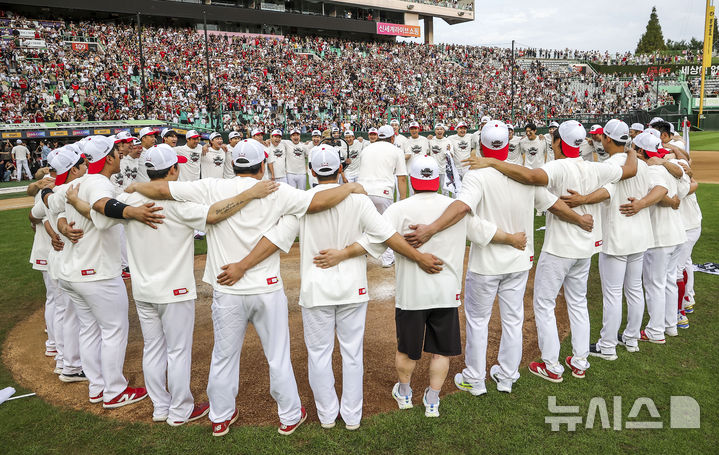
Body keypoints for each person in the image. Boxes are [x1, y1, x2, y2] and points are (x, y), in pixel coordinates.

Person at [128, 139, 369, 437]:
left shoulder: (211, 186)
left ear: (233, 162)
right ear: (261, 164)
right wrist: (349, 187)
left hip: (227, 288)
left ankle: (220, 416)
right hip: (266, 287)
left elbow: (163, 189)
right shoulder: (275, 190)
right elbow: (318, 202)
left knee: (223, 356)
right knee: (277, 355)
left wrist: (134, 189)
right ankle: (289, 415)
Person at [232, 145, 443, 429]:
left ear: (311, 172)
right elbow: (387, 236)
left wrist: (242, 265)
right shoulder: (356, 199)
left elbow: (276, 238)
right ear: (341, 169)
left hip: (316, 289)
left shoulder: (302, 200)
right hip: (352, 288)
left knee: (319, 355)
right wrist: (418, 257)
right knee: (352, 354)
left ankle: (328, 416)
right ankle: (352, 417)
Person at [66, 144, 277, 425]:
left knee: (153, 348)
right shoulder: (178, 203)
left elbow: (98, 213)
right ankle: (180, 410)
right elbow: (214, 215)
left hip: (143, 289)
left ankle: (160, 407)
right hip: (175, 290)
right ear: (174, 170)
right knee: (177, 351)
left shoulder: (129, 198)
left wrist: (73, 201)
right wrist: (250, 193)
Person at [404, 122, 592, 395]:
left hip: (488, 263)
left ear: (481, 146)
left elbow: (462, 208)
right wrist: (581, 219)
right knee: (513, 319)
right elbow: (553, 204)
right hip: (518, 259)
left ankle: (476, 378)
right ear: (509, 144)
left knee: (479, 321)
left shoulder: (477, 175)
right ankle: (506, 377)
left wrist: (431, 228)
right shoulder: (523, 175)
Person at [463, 120, 637, 382]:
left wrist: (492, 162)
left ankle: (552, 364)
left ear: (558, 143)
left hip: (559, 248)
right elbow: (630, 170)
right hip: (585, 246)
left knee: (544, 305)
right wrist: (632, 147)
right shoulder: (595, 167)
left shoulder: (555, 166)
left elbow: (532, 178)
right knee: (577, 303)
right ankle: (579, 361)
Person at [56, 135, 163, 408]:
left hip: (72, 271)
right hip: (97, 271)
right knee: (114, 330)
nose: (120, 154)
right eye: (117, 151)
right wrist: (133, 212)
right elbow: (104, 212)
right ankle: (114, 391)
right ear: (110, 156)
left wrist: (61, 225)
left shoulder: (76, 182)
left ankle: (97, 387)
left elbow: (54, 206)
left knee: (90, 330)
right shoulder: (100, 182)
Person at [557, 120, 669, 357]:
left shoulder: (613, 165)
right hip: (640, 236)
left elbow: (606, 192)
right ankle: (631, 338)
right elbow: (661, 190)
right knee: (635, 290)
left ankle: (607, 345)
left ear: (607, 139)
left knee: (614, 293)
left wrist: (583, 199)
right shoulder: (640, 162)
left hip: (617, 236)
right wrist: (642, 204)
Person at [358, 125, 408, 267]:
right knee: (386, 226)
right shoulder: (396, 150)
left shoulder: (366, 149)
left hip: (361, 191)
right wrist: (403, 200)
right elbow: (402, 178)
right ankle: (387, 258)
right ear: (392, 137)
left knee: (363, 226)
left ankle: (360, 256)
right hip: (383, 192)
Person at [428, 124, 453, 195]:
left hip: (444, 170)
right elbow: (427, 153)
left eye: (441, 129)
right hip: (433, 170)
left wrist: (448, 151)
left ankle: (446, 205)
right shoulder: (430, 140)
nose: (439, 131)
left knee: (445, 191)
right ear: (435, 131)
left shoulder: (448, 141)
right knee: (432, 191)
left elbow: (451, 156)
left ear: (444, 131)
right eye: (437, 129)